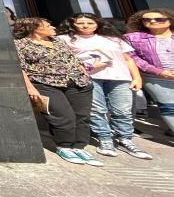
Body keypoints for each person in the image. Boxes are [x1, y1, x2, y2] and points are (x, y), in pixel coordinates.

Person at [58, 13, 152, 159]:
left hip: (119, 76)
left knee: (122, 110)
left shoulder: (113, 38)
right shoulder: (65, 39)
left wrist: (137, 77)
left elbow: (128, 59)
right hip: (90, 77)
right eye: (81, 23)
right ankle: (105, 138)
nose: (85, 26)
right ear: (72, 24)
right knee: (97, 109)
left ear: (97, 24)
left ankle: (125, 139)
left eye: (89, 23)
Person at [13, 17, 99, 166]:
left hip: (78, 82)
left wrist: (83, 71)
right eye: (47, 25)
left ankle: (79, 146)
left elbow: (73, 59)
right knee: (62, 115)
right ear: (34, 29)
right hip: (46, 83)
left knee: (81, 116)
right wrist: (30, 87)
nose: (52, 27)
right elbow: (20, 67)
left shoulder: (58, 41)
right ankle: (64, 145)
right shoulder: (20, 44)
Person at [123, 9, 174, 136]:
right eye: (147, 19)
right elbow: (133, 58)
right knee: (169, 107)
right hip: (155, 77)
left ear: (170, 21)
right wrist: (159, 72)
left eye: (159, 19)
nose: (152, 21)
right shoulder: (132, 38)